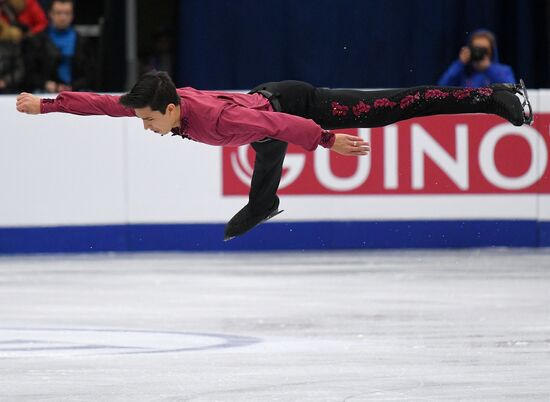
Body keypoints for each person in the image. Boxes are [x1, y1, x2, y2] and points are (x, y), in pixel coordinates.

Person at [16, 71, 532, 240]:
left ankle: (494, 95)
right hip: (265, 108)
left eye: (151, 120)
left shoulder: (218, 121)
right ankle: (263, 202)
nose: (146, 128)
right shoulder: (159, 107)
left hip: (292, 104)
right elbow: (105, 105)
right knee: (264, 149)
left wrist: (329, 141)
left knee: (389, 109)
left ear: (171, 109)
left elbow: (279, 126)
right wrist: (47, 105)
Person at [24, 0, 95, 93]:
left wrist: (73, 86)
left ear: (72, 15)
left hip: (76, 92)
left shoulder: (82, 41)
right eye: (58, 13)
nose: (63, 17)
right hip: (44, 92)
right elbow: (29, 72)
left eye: (67, 13)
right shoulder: (37, 41)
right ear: (50, 14)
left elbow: (90, 73)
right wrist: (45, 84)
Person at [438, 29, 516, 88]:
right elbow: (442, 86)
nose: (479, 53)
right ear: (470, 49)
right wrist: (460, 63)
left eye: (484, 50)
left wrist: (489, 69)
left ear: (492, 51)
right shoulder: (462, 71)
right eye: (476, 49)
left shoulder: (503, 70)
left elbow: (510, 88)